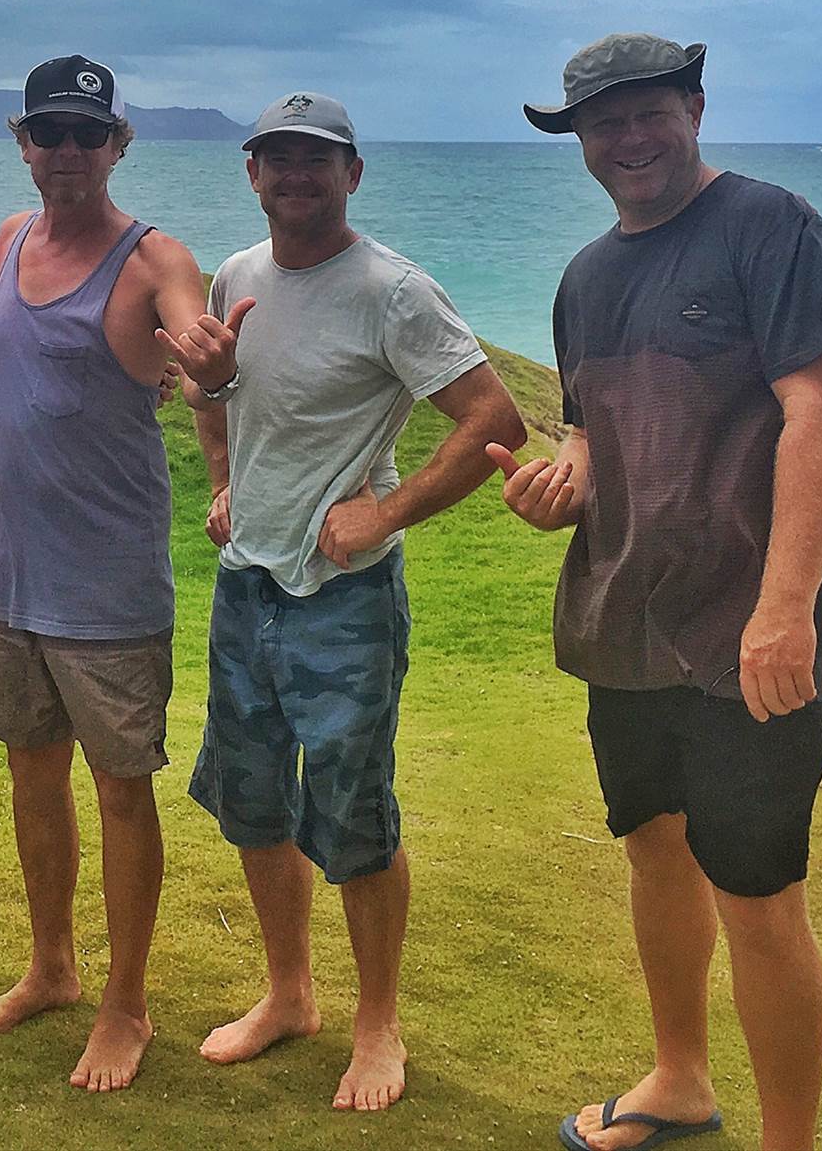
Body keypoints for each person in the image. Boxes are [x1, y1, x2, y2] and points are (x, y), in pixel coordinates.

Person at [490, 34, 822, 1151]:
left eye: (650, 112)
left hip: (748, 633)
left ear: (696, 109)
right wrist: (563, 484)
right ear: (580, 141)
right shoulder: (586, 278)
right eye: (604, 123)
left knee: (758, 890)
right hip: (626, 624)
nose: (630, 139)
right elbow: (587, 432)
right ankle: (680, 1080)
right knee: (655, 847)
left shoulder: (771, 227)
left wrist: (785, 611)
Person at [167, 90, 526, 1113]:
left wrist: (387, 511)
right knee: (254, 801)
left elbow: (493, 417)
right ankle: (289, 995)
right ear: (252, 172)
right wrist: (224, 476)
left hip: (345, 599)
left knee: (354, 812)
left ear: (352, 174)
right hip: (247, 587)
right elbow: (211, 391)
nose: (296, 174)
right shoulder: (237, 275)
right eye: (277, 157)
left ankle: (378, 1024)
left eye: (317, 158)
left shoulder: (392, 291)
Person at [0, 54, 211, 1093]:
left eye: (87, 133)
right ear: (23, 142)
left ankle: (127, 1003)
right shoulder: (11, 237)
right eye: (48, 132)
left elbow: (193, 330)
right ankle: (52, 967)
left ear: (119, 145)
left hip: (109, 585)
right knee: (31, 777)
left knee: (120, 792)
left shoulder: (155, 259)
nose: (67, 150)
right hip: (14, 573)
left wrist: (206, 359)